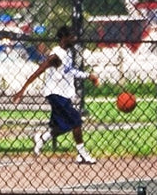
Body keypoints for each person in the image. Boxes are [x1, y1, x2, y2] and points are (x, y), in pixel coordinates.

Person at [13, 24, 99, 164]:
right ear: (64, 38)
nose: (75, 39)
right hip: (55, 94)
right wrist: (23, 89)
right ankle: (82, 154)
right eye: (72, 36)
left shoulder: (67, 54)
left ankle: (42, 138)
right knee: (76, 120)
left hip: (63, 94)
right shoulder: (56, 56)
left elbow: (70, 71)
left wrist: (88, 75)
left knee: (62, 125)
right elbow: (39, 70)